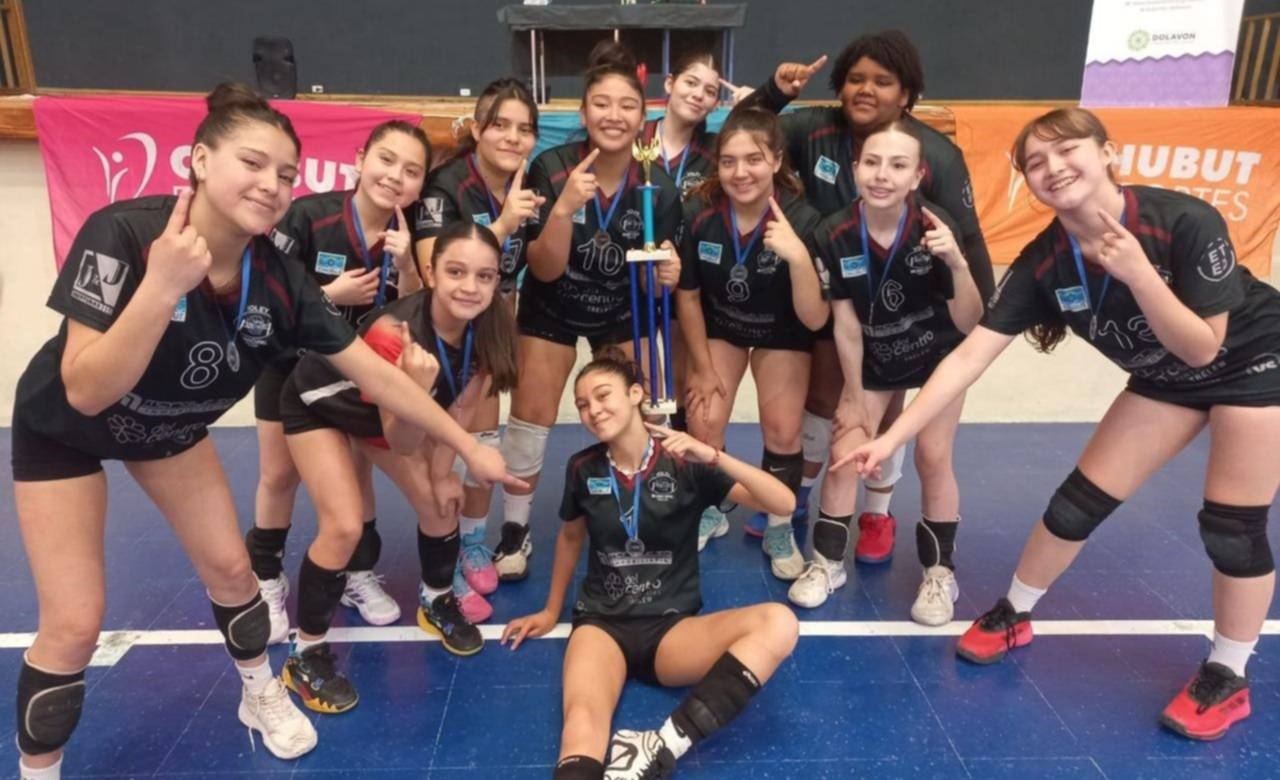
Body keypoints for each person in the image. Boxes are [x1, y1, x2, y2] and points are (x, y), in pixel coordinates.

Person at [9, 83, 515, 779]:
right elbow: (87, 389)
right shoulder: (122, 233)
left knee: (234, 574)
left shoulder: (280, 280)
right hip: (64, 431)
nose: (271, 184)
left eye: (286, 173)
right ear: (199, 160)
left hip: (169, 429)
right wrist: (161, 287)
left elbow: (380, 377)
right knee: (74, 623)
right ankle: (38, 768)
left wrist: (465, 450)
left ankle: (259, 692)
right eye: (252, 163)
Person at [846, 107, 1280, 740]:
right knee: (1076, 504)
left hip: (1252, 361)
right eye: (1035, 162)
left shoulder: (1184, 222)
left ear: (1107, 152)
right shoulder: (1045, 261)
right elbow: (967, 357)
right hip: (1165, 378)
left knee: (1232, 530)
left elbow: (1202, 349)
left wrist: (1137, 273)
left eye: (1067, 149)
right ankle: (1015, 612)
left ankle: (1228, 672)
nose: (1052, 167)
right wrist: (891, 436)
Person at [737, 30, 994, 553]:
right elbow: (744, 131)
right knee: (825, 399)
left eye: (882, 81)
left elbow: (968, 244)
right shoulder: (812, 127)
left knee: (888, 410)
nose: (866, 90)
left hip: (909, 312)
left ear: (906, 94)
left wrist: (983, 328)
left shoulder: (937, 154)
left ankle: (877, 511)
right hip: (837, 291)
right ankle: (796, 494)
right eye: (856, 79)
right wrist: (775, 92)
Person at [502, 355, 800, 780]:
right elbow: (570, 538)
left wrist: (714, 456)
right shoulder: (583, 468)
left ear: (635, 394)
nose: (593, 410)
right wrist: (552, 611)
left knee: (780, 623)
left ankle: (661, 746)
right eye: (583, 404)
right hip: (601, 624)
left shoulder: (686, 462)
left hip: (672, 630)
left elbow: (783, 503)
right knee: (581, 724)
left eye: (602, 396)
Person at [277, 221, 520, 712]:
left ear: (497, 281)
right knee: (344, 526)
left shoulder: (490, 326)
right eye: (456, 272)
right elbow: (400, 440)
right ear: (429, 273)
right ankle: (305, 654)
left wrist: (443, 473)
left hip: (381, 416)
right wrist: (415, 386)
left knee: (441, 503)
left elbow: (461, 408)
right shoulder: (394, 334)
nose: (470, 287)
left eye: (484, 276)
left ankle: (435, 600)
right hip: (320, 405)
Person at [493, 41, 682, 583]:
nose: (613, 115)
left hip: (620, 310)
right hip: (553, 304)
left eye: (627, 105)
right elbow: (543, 268)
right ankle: (515, 528)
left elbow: (653, 279)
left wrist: (666, 274)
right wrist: (564, 210)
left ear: (643, 118)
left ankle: (643, 514)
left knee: (645, 411)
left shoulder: (657, 186)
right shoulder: (552, 169)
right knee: (530, 417)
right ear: (582, 113)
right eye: (601, 104)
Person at [788, 120, 982, 623]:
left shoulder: (935, 226)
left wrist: (958, 265)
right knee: (846, 449)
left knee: (933, 454)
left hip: (939, 354)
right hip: (876, 355)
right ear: (855, 169)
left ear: (916, 176)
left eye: (898, 166)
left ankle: (939, 573)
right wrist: (854, 395)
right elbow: (846, 324)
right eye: (872, 162)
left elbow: (970, 322)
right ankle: (827, 563)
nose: (882, 175)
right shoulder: (833, 233)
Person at [248, 119, 430, 643]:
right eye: (386, 160)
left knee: (356, 473)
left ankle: (356, 573)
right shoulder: (309, 216)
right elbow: (265, 297)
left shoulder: (408, 235)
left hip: (353, 376)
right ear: (360, 159)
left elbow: (412, 310)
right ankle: (266, 579)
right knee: (279, 475)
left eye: (411, 170)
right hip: (288, 364)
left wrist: (408, 267)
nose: (395, 176)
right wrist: (330, 295)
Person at [410, 77, 543, 622]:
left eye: (524, 129)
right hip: (445, 328)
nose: (512, 137)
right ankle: (445, 558)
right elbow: (431, 267)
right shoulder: (445, 186)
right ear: (479, 129)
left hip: (495, 318)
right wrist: (505, 222)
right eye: (501, 125)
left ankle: (472, 540)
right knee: (450, 446)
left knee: (484, 436)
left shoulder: (527, 182)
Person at [675, 108, 826, 579]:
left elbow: (815, 317)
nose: (741, 172)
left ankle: (779, 524)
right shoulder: (700, 215)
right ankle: (712, 506)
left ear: (776, 160)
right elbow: (688, 296)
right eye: (729, 161)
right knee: (702, 420)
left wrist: (798, 259)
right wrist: (702, 367)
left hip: (783, 331)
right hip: (723, 327)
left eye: (754, 160)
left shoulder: (803, 219)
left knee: (782, 428)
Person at [641, 51, 721, 201]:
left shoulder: (716, 152)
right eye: (691, 83)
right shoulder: (635, 141)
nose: (699, 95)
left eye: (710, 92)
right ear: (669, 84)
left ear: (715, 105)